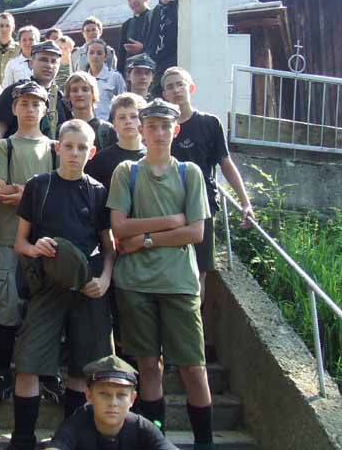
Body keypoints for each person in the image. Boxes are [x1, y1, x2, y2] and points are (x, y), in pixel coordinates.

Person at [107, 99, 215, 450]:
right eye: (151, 126)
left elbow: (196, 232)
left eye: (165, 126)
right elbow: (120, 227)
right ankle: (157, 442)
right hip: (135, 284)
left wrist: (146, 239)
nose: (158, 132)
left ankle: (205, 442)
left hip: (179, 284)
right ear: (141, 129)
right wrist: (170, 221)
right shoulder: (127, 171)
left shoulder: (189, 173)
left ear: (175, 130)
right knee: (148, 367)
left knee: (193, 368)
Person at [8, 119, 116, 450]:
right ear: (57, 148)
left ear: (92, 152)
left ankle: (72, 441)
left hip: (88, 286)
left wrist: (104, 280)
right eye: (68, 146)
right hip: (47, 284)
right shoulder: (38, 186)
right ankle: (22, 441)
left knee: (82, 370)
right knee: (28, 365)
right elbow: (19, 242)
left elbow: (109, 248)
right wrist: (35, 248)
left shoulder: (98, 192)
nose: (74, 153)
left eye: (82, 147)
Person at [0, 81, 58, 405]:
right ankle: (2, 372)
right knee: (7, 306)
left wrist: (22, 190)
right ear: (14, 108)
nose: (29, 109)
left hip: (45, 241)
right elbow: (1, 192)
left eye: (35, 103)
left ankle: (46, 374)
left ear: (45, 110)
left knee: (43, 309)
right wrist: (38, 191)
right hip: (7, 238)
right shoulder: (4, 147)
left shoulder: (54, 149)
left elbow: (59, 193)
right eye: (24, 103)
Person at [163, 67, 254, 303]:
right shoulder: (162, 128)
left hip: (203, 205)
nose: (176, 90)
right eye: (170, 86)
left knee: (198, 271)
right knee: (169, 269)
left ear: (191, 88)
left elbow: (226, 163)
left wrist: (245, 202)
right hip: (168, 205)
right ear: (164, 94)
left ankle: (195, 323)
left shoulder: (210, 123)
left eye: (180, 84)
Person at [45, 355, 178, 450]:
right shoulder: (78, 423)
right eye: (104, 394)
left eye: (121, 395)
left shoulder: (140, 426)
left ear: (132, 399)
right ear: (89, 396)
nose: (113, 402)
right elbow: (58, 445)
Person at [0, 40, 72, 147]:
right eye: (43, 60)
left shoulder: (60, 99)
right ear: (31, 63)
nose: (49, 65)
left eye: (54, 61)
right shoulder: (15, 92)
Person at [85, 93, 146, 192]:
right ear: (114, 124)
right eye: (122, 117)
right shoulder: (99, 161)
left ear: (143, 122)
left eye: (134, 116)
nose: (128, 121)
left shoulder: (152, 157)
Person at [144, 0, 181, 96]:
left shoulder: (182, 7)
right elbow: (150, 42)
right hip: (155, 69)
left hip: (173, 67)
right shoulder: (154, 12)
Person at [63, 71, 117, 153]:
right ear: (68, 96)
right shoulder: (62, 130)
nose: (79, 94)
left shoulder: (107, 130)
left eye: (85, 89)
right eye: (74, 90)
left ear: (93, 94)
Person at [86, 39, 126, 121]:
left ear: (105, 56)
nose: (95, 56)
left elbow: (124, 104)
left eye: (99, 53)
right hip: (87, 123)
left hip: (108, 123)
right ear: (86, 55)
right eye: (91, 53)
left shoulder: (115, 77)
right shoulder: (83, 79)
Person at [117, 0, 152, 76]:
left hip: (151, 73)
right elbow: (121, 56)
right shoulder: (127, 25)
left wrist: (143, 49)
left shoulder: (156, 18)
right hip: (132, 75)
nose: (133, 1)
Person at [0, 12, 21, 85]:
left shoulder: (20, 50)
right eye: (1, 26)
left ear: (13, 27)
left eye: (7, 26)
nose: (4, 29)